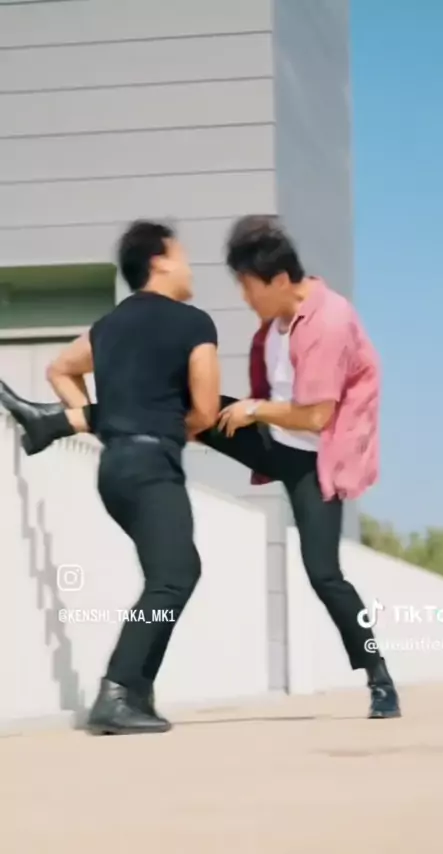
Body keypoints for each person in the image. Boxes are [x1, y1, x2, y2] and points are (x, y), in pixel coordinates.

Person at [0, 216, 400, 719]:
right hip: (268, 438)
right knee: (168, 402)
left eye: (249, 287)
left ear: (279, 280)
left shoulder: (329, 321)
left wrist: (253, 409)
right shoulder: (272, 327)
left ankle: (379, 676)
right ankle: (54, 421)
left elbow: (318, 417)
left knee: (325, 575)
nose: (245, 298)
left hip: (314, 461)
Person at [3, 220, 221, 735]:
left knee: (173, 574)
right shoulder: (193, 323)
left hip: (115, 470)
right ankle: (119, 691)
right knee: (174, 577)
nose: (190, 267)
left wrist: (100, 422)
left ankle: (137, 692)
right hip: (152, 466)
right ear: (160, 260)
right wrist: (175, 424)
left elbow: (60, 368)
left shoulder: (109, 326)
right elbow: (207, 411)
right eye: (183, 255)